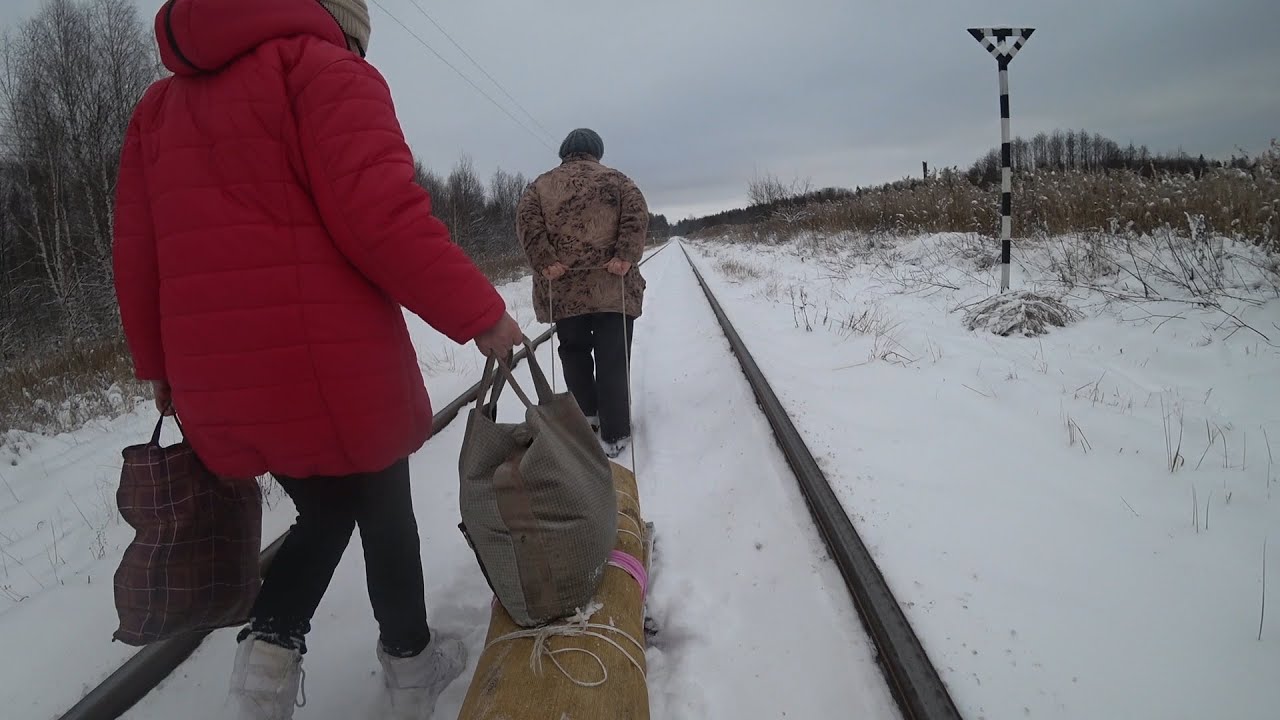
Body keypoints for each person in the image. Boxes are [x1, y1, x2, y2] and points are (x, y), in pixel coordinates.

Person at [110, 0, 523, 717]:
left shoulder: (159, 108)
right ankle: (410, 666)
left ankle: (264, 670)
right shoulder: (322, 70)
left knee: (327, 509)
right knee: (383, 507)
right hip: (333, 364)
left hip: (217, 374)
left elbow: (138, 253)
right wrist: (479, 314)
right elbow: (382, 217)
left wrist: (159, 366)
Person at [516, 128, 649, 458]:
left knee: (573, 352)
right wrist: (624, 256)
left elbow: (527, 223)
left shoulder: (540, 186)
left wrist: (545, 261)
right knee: (612, 357)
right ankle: (616, 433)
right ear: (596, 152)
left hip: (565, 291)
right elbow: (637, 215)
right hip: (612, 287)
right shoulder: (618, 180)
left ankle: (585, 419)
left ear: (564, 152)